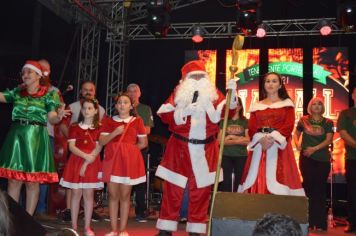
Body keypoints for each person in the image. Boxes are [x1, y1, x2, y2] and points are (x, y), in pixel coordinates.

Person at [155, 60, 237, 236]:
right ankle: (166, 229)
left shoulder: (214, 94)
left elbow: (227, 112)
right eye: (194, 76)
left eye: (201, 76)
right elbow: (163, 114)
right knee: (172, 190)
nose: (198, 79)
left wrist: (233, 94)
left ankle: (195, 229)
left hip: (205, 150)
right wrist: (183, 112)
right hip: (179, 148)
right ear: (186, 79)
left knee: (201, 191)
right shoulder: (178, 94)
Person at [0, 60, 69, 215]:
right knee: (14, 179)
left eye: (29, 72)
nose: (25, 75)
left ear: (38, 75)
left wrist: (58, 117)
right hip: (17, 135)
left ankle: (28, 220)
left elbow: (51, 118)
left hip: (36, 137)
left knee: (32, 181)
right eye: (23, 72)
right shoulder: (17, 92)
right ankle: (14, 218)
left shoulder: (49, 94)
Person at [238, 72, 304, 196]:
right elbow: (252, 127)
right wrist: (260, 140)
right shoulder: (256, 106)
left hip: (279, 148)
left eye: (274, 81)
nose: (270, 84)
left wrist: (272, 139)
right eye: (267, 81)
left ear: (280, 85)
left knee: (281, 177)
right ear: (264, 85)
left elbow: (288, 126)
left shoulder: (287, 104)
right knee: (256, 176)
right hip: (259, 146)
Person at [99, 92, 147, 236]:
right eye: (119, 102)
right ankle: (113, 230)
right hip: (112, 162)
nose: (122, 105)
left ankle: (123, 230)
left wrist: (129, 153)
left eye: (125, 102)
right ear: (115, 105)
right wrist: (114, 133)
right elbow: (102, 141)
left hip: (128, 163)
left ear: (131, 106)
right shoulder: (108, 121)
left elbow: (143, 143)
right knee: (113, 196)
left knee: (125, 196)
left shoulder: (137, 121)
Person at [59, 80, 105, 222]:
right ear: (80, 91)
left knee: (88, 191)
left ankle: (87, 218)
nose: (88, 92)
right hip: (76, 153)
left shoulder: (101, 112)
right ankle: (70, 214)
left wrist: (89, 156)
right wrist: (75, 140)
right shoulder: (72, 108)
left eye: (91, 89)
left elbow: (100, 141)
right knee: (74, 188)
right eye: (85, 89)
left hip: (92, 156)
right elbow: (64, 126)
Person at [294, 97, 334, 231]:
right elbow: (296, 133)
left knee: (320, 190)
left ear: (322, 107)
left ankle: (321, 223)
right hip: (306, 159)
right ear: (310, 107)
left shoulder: (328, 121)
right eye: (314, 104)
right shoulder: (303, 120)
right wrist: (297, 144)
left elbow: (328, 140)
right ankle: (309, 222)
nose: (317, 106)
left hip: (322, 160)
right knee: (308, 189)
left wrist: (314, 149)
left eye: (319, 104)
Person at [36, 58, 63, 218]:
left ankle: (40, 209)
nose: (43, 72)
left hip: (47, 136)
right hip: (28, 135)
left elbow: (57, 116)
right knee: (23, 172)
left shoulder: (54, 91)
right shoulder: (26, 89)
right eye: (41, 69)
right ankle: (18, 209)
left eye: (46, 70)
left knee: (44, 173)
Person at [126, 83, 154, 222]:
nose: (132, 94)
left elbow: (148, 130)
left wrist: (136, 117)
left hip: (139, 148)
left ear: (139, 94)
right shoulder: (121, 106)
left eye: (134, 91)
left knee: (140, 180)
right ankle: (121, 210)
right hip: (124, 149)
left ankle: (140, 211)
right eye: (129, 91)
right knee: (123, 178)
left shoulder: (145, 109)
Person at [218, 96, 249, 192]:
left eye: (236, 105)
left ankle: (239, 204)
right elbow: (219, 141)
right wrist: (240, 139)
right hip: (225, 155)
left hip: (241, 155)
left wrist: (231, 138)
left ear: (240, 107)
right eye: (231, 105)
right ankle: (227, 204)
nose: (234, 107)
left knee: (240, 181)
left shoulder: (245, 121)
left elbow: (247, 140)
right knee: (225, 182)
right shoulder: (224, 121)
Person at [337, 86, 356, 233]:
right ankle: (353, 223)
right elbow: (343, 133)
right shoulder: (346, 114)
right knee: (352, 191)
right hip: (353, 158)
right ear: (353, 96)